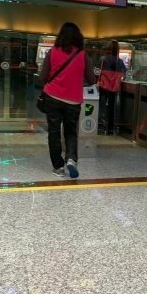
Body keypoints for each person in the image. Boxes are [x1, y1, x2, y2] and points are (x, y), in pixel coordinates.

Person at [40, 22, 96, 179]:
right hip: (73, 101)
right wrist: (78, 82)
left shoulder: (52, 52)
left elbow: (43, 77)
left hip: (53, 97)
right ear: (78, 37)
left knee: (54, 132)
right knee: (71, 132)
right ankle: (71, 159)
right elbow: (92, 79)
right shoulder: (83, 55)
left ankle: (58, 167)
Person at [98, 40, 126, 135]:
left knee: (101, 105)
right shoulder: (120, 61)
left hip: (103, 86)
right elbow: (124, 74)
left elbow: (98, 72)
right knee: (111, 107)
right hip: (114, 87)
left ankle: (100, 125)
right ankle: (110, 129)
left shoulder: (103, 59)